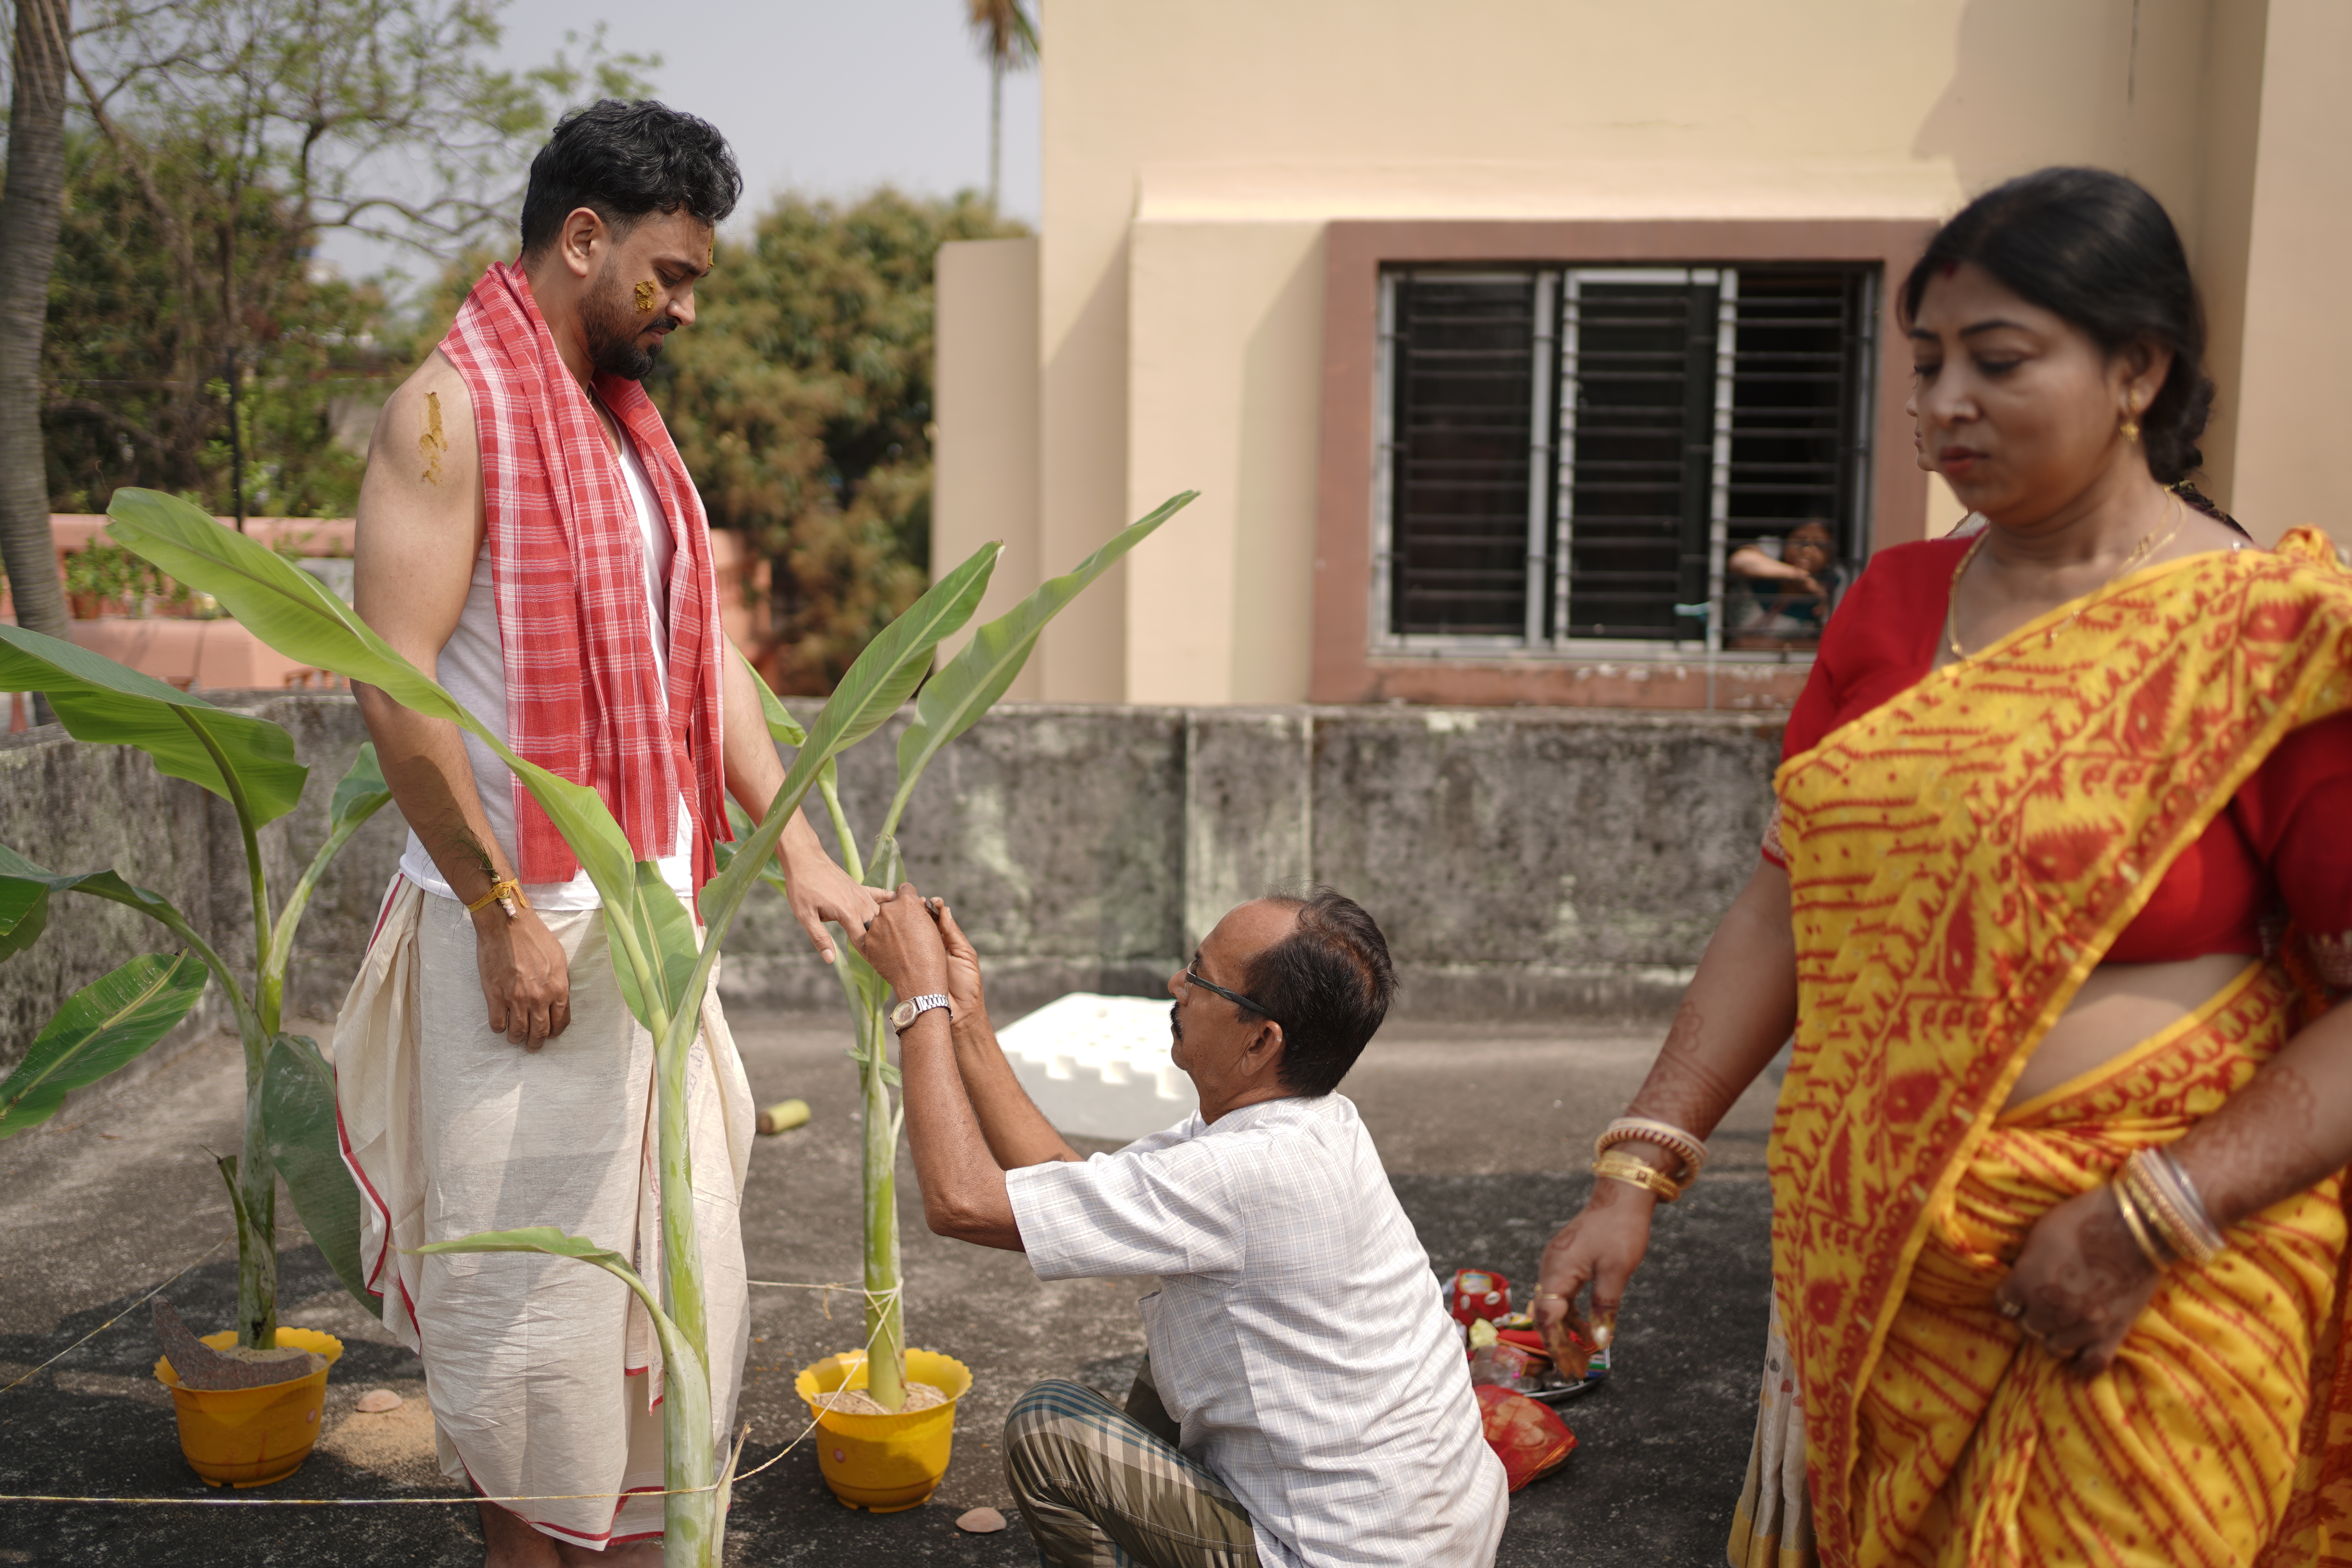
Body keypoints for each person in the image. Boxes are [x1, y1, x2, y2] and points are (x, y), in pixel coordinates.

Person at [1532, 166, 2352, 1567]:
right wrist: (1635, 1166)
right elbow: (1788, 899)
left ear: (2137, 368)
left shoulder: (2268, 638)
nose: (1942, 404)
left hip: (2178, 1255)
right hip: (1886, 1261)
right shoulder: (1891, 606)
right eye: (1924, 365)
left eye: (1998, 359)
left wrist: (2150, 1217)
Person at [336, 101, 876, 1566]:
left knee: (670, 1321)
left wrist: (803, 847)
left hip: (645, 936)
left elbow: (696, 660)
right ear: (584, 238)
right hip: (522, 940)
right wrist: (500, 901)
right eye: (670, 273)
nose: (686, 308)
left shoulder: (625, 428)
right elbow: (397, 691)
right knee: (540, 1356)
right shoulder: (447, 411)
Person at [853, 885, 1507, 1568]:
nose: (1177, 986)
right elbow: (1066, 1187)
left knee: (1049, 1426)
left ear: (1260, 1040)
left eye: (1201, 978)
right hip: (1431, 1531)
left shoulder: (1241, 1174)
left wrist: (919, 1001)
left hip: (1341, 1555)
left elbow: (961, 1201)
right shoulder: (1311, 1123)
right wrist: (965, 1019)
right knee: (1174, 1348)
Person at [1725, 521, 1845, 647]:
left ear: (1830, 556)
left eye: (1819, 545)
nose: (1807, 550)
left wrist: (1773, 646)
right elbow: (1740, 561)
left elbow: (1833, 645)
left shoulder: (1835, 582)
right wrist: (1799, 576)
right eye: (1800, 540)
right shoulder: (1773, 553)